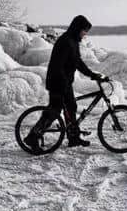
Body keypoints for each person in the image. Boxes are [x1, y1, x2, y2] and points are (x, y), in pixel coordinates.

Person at [23, 15, 106, 154]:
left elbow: (77, 62)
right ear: (78, 28)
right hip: (57, 82)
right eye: (84, 31)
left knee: (71, 106)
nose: (85, 34)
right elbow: (57, 66)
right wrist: (63, 83)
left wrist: (92, 75)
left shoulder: (73, 41)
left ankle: (73, 138)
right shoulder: (65, 41)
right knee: (53, 111)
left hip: (64, 82)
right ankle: (32, 137)